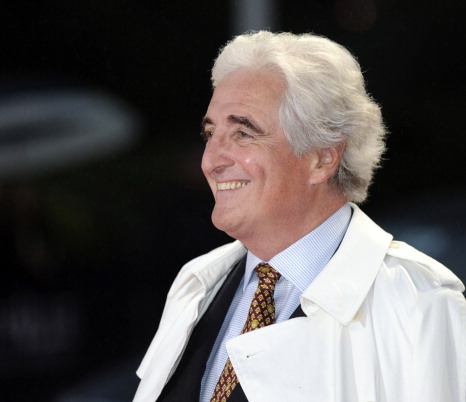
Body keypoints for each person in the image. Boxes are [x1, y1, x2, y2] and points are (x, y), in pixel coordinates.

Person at [133, 31, 466, 402]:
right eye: (211, 134)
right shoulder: (195, 285)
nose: (210, 162)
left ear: (322, 158)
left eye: (243, 133)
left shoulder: (420, 304)